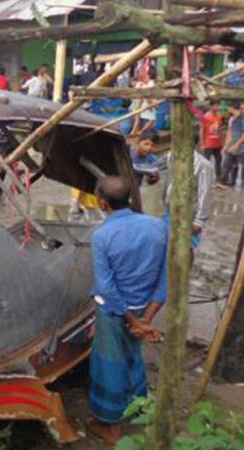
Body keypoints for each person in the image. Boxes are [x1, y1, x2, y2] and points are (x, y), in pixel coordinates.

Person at [88, 176, 166, 446]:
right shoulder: (158, 226)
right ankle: (139, 406)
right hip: (145, 307)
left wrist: (132, 320)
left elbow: (106, 288)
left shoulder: (102, 235)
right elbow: (165, 276)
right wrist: (147, 319)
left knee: (110, 362)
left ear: (103, 203)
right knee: (134, 356)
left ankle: (109, 425)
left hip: (115, 312)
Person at [163, 128, 214, 250]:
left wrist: (199, 221)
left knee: (186, 248)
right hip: (170, 209)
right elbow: (168, 181)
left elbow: (204, 193)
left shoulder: (203, 165)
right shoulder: (171, 156)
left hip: (188, 214)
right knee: (168, 243)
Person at [186, 99, 225, 179]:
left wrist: (222, 141)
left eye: (218, 105)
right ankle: (204, 177)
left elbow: (220, 129)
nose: (217, 107)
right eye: (215, 105)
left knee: (219, 160)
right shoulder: (206, 116)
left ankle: (218, 177)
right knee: (206, 161)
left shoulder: (219, 116)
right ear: (211, 106)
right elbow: (201, 130)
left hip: (217, 143)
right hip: (208, 143)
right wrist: (202, 143)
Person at [219, 101, 244, 188]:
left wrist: (237, 145)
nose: (228, 109)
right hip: (232, 147)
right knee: (226, 164)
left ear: (232, 108)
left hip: (242, 148)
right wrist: (225, 147)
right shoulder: (232, 119)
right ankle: (222, 183)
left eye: (229, 107)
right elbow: (230, 135)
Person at [133, 67, 158, 135]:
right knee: (151, 119)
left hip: (145, 103)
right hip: (142, 103)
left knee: (151, 118)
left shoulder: (151, 83)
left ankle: (137, 131)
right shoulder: (142, 83)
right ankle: (138, 131)